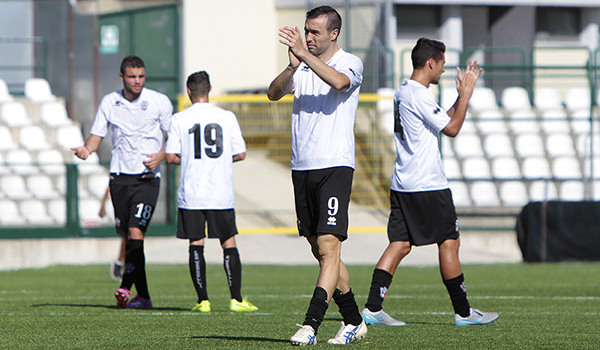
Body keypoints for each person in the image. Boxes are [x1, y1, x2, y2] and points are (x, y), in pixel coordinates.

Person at [361, 38, 499, 327]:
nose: (444, 71)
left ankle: (372, 308)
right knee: (450, 242)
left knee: (399, 244)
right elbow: (451, 128)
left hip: (403, 183)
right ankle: (463, 312)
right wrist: (466, 96)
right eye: (443, 65)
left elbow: (437, 121)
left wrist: (459, 98)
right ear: (431, 63)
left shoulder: (405, 91)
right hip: (427, 185)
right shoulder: (420, 95)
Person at [267, 5, 366, 346]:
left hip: (334, 166)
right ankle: (354, 320)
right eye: (306, 31)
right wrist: (291, 66)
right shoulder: (303, 63)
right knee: (322, 251)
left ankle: (310, 325)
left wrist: (305, 58)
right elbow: (273, 92)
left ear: (333, 33)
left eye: (315, 32)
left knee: (328, 247)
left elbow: (339, 82)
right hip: (302, 167)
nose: (308, 37)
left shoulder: (350, 62)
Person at [72, 55, 173, 309]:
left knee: (136, 231)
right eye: (132, 77)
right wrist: (86, 150)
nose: (137, 81)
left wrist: (160, 156)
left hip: (147, 179)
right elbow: (97, 135)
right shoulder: (110, 101)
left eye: (141, 76)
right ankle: (144, 297)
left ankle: (125, 287)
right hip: (119, 179)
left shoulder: (158, 101)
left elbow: (174, 138)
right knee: (128, 235)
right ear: (122, 77)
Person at [165, 71, 258, 313]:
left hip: (191, 192)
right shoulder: (226, 117)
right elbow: (240, 153)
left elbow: (171, 156)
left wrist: (191, 159)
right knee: (228, 242)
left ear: (189, 91)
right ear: (209, 89)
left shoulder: (179, 119)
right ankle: (236, 299)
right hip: (220, 192)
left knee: (196, 243)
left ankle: (202, 301)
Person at [98, 185, 126, 281]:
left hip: (134, 204)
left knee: (133, 235)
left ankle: (124, 264)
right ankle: (120, 263)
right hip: (122, 207)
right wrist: (103, 205)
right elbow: (110, 185)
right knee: (126, 236)